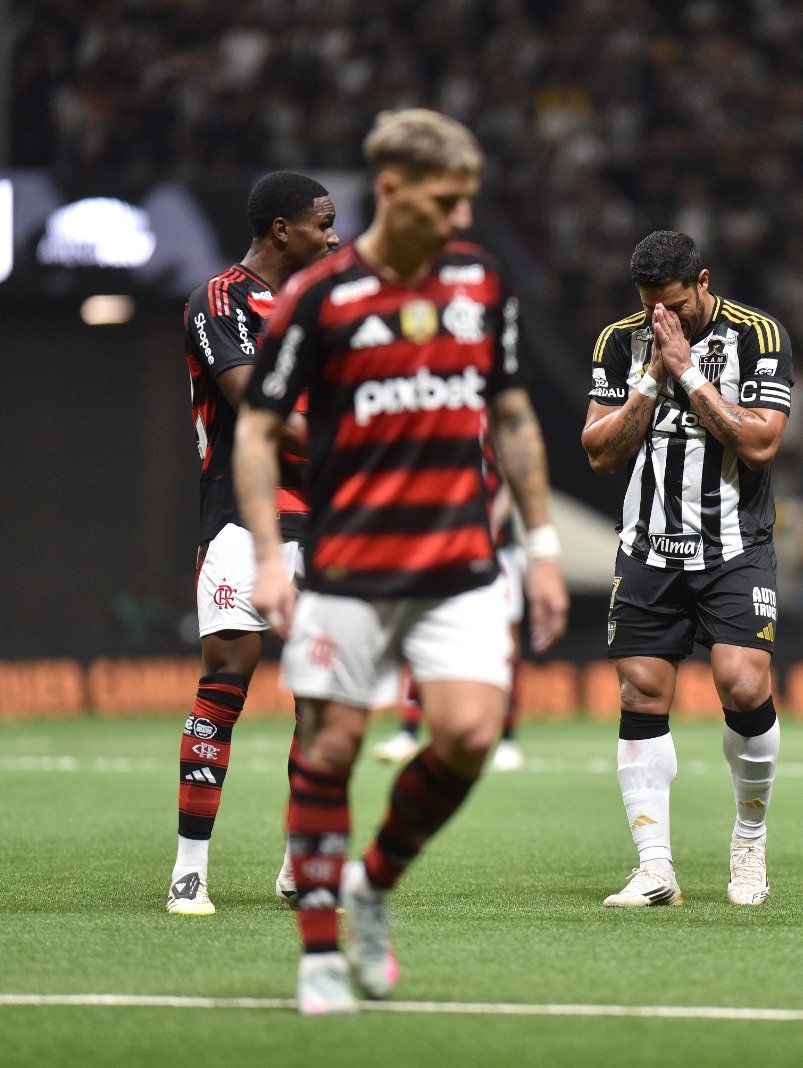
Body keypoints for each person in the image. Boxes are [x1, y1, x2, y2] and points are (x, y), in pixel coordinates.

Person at [236, 109, 569, 1013]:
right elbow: (258, 428)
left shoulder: (481, 285)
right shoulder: (323, 295)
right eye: (445, 200)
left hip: (459, 560)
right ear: (391, 189)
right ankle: (316, 956)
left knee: (465, 736)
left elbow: (512, 418)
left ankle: (371, 889)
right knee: (332, 747)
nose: (463, 218)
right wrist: (270, 556)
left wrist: (540, 550)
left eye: (470, 200)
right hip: (346, 563)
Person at [581, 230, 792, 909]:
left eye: (672, 304)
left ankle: (750, 841)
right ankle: (655, 869)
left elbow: (761, 442)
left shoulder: (759, 335)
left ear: (702, 281)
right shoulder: (620, 340)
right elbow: (598, 451)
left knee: (741, 680)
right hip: (647, 545)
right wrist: (651, 376)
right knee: (641, 693)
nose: (659, 320)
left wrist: (690, 372)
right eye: (648, 308)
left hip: (734, 544)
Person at [168, 170, 339, 916]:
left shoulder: (323, 307)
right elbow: (254, 402)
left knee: (320, 698)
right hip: (243, 514)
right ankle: (189, 870)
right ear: (281, 229)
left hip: (325, 522)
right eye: (322, 223)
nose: (333, 236)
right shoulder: (220, 300)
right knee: (227, 678)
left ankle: (299, 863)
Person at [375, 481, 528, 771]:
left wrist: (487, 524)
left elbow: (513, 475)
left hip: (498, 549)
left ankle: (508, 739)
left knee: (507, 644)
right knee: (422, 630)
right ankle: (408, 730)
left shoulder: (495, 435)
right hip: (446, 544)